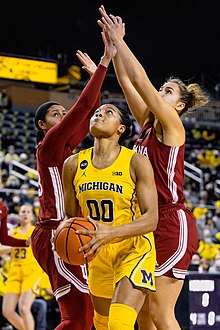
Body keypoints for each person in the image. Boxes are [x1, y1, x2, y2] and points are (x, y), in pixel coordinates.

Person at [98, 5, 210, 330]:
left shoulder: (172, 125)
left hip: (171, 222)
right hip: (147, 221)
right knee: (145, 316)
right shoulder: (147, 125)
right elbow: (126, 80)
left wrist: (122, 41)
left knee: (161, 314)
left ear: (178, 105)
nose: (160, 93)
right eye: (162, 89)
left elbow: (140, 78)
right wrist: (113, 49)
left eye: (168, 92)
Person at [30, 30, 116, 330]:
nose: (63, 115)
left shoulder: (67, 148)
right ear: (44, 125)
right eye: (56, 114)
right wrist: (105, 62)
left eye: (62, 112)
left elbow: (91, 114)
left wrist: (96, 76)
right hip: (56, 232)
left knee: (85, 316)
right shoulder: (51, 144)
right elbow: (82, 107)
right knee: (77, 319)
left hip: (64, 230)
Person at [61, 102, 158, 330]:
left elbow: (151, 218)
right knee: (102, 325)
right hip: (98, 252)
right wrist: (64, 237)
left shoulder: (136, 162)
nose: (99, 114)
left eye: (108, 112)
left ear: (121, 129)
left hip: (133, 248)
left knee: (118, 324)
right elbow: (71, 218)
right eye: (97, 112)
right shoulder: (73, 164)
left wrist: (110, 232)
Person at [1, 203, 42, 330]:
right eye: (22, 211)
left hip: (32, 271)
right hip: (15, 272)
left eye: (28, 212)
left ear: (32, 216)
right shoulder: (13, 233)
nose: (25, 213)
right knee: (7, 311)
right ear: (18, 215)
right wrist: (17, 244)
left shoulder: (35, 232)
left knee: (24, 307)